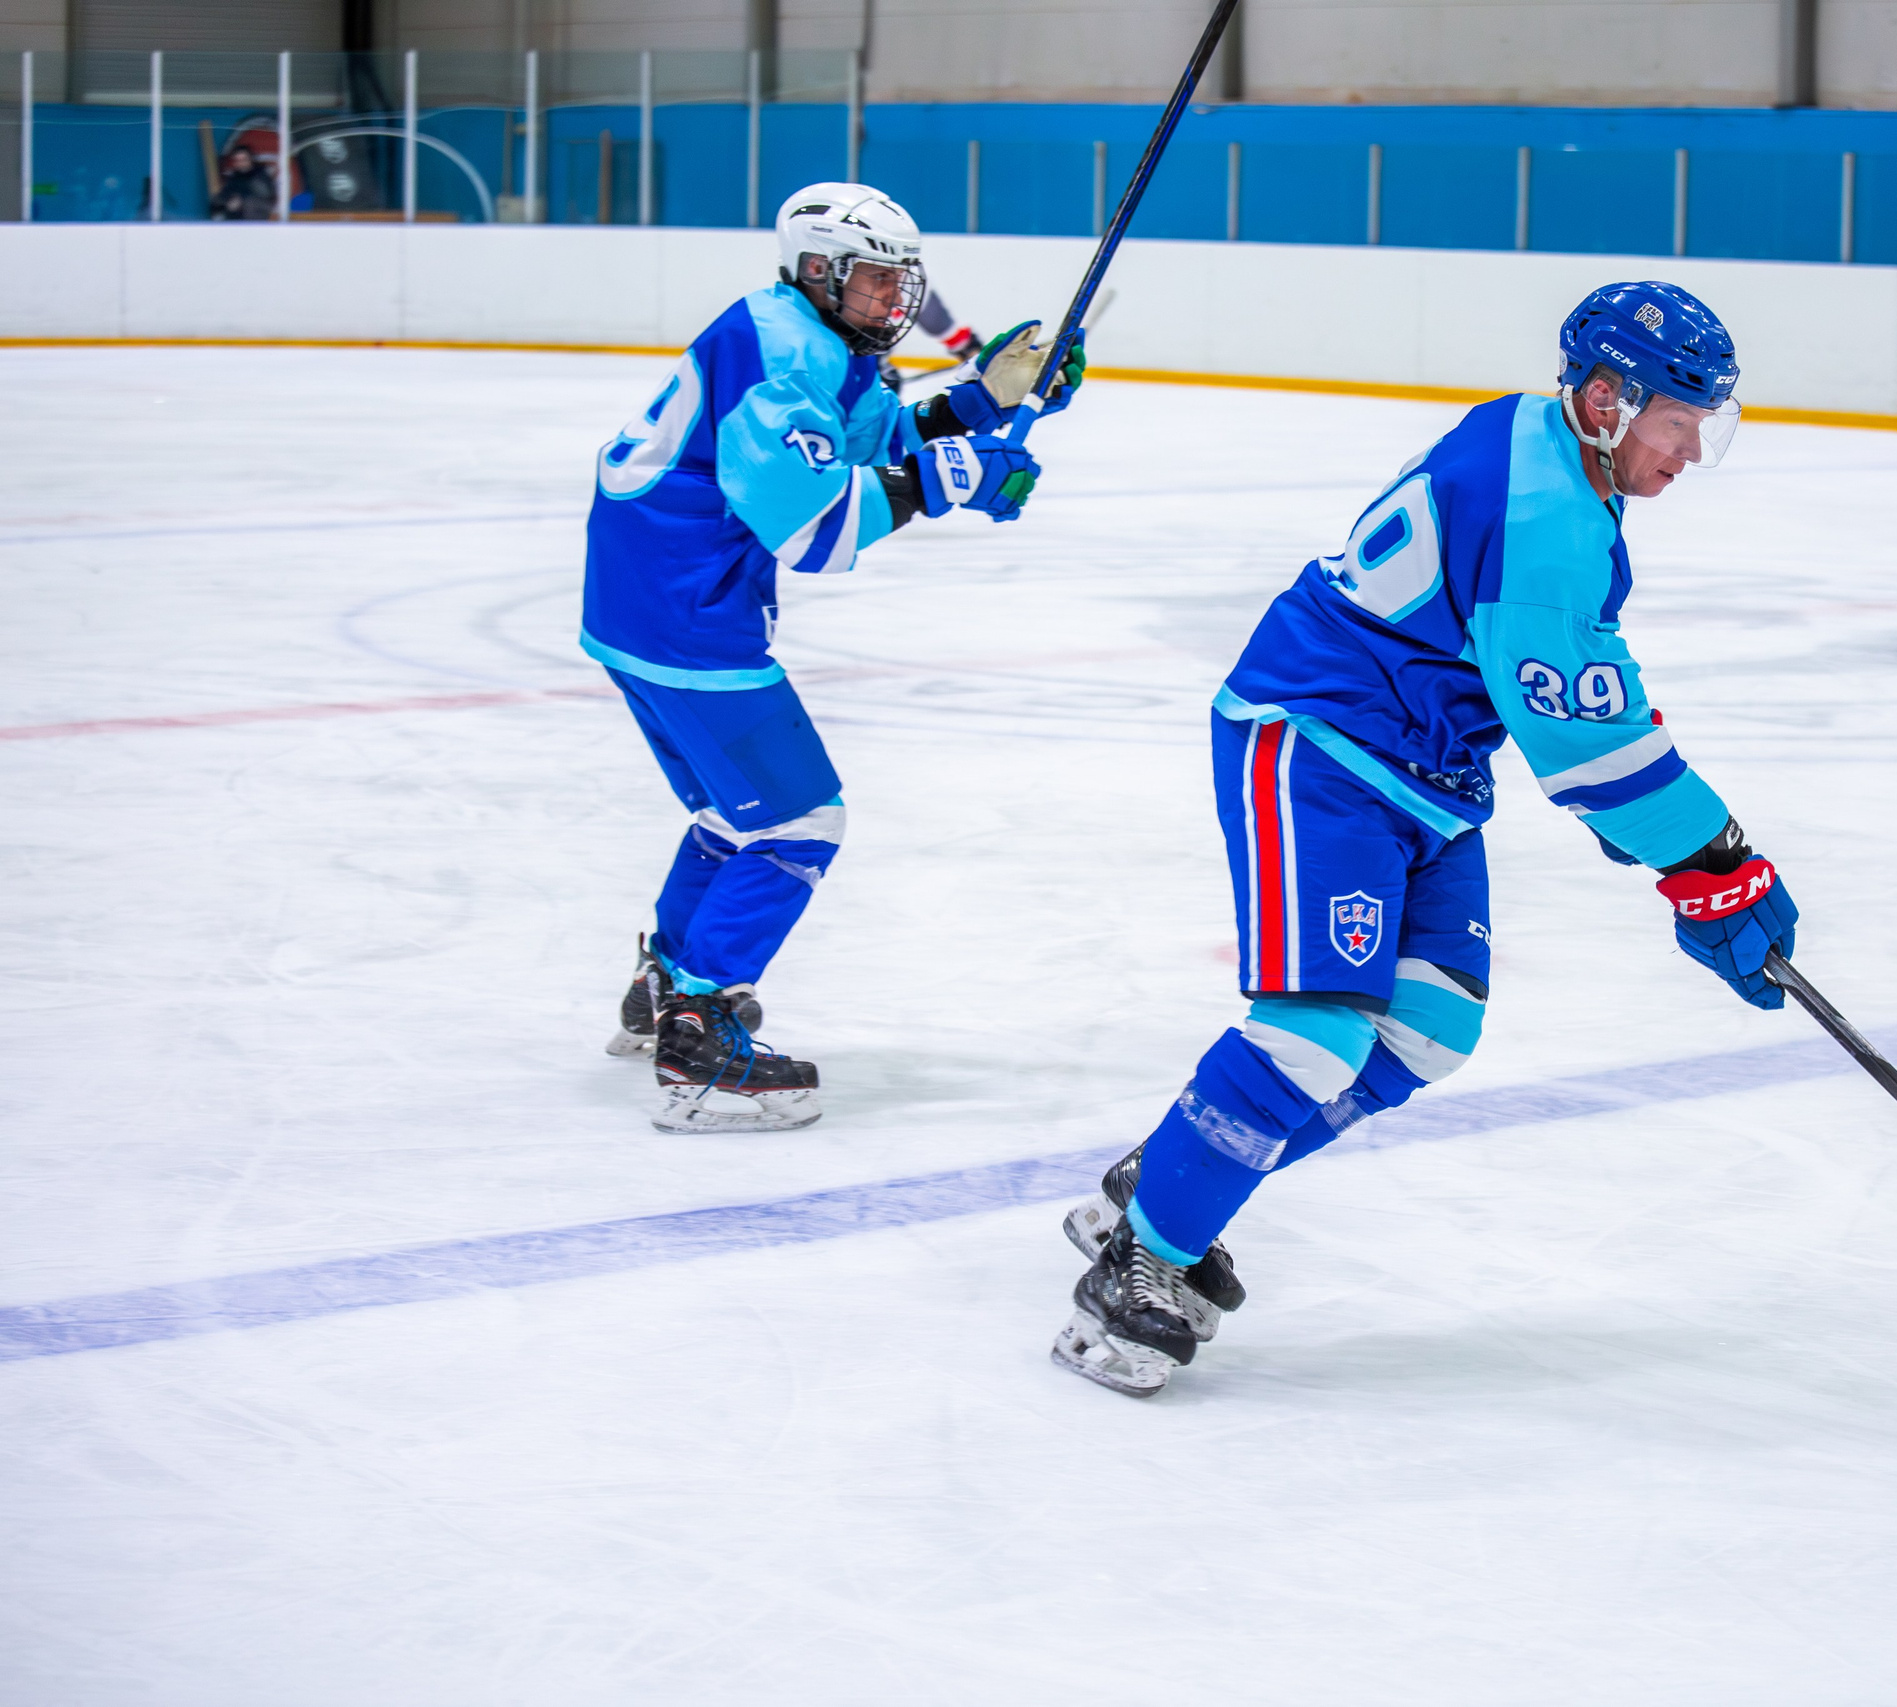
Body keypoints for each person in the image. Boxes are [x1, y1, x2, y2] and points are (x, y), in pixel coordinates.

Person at [1048, 282, 1800, 1397]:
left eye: (1701, 427)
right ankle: (1142, 1261)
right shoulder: (1546, 517)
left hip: (1425, 773)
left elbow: (1576, 688)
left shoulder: (1539, 439)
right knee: (1315, 1037)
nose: (1689, 451)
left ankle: (1172, 1176)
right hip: (1320, 743)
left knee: (1431, 1029)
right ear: (1607, 398)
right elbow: (1583, 745)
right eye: (1676, 422)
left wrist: (1705, 854)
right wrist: (1712, 862)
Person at [585, 181, 1086, 1133]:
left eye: (902, 283)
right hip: (684, 614)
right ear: (817, 271)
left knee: (731, 815)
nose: (892, 303)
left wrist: (987, 400)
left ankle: (662, 987)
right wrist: (957, 479)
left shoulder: (806, 336)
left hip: (640, 605)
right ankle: (700, 1037)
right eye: (872, 283)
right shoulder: (780, 352)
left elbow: (869, 439)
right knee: (801, 821)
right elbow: (814, 523)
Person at [208, 145, 274, 222]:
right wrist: (227, 202)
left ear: (251, 159)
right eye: (238, 161)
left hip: (257, 222)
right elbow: (221, 197)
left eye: (244, 160)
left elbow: (264, 195)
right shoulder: (234, 178)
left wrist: (241, 201)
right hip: (234, 224)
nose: (241, 163)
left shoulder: (261, 176)